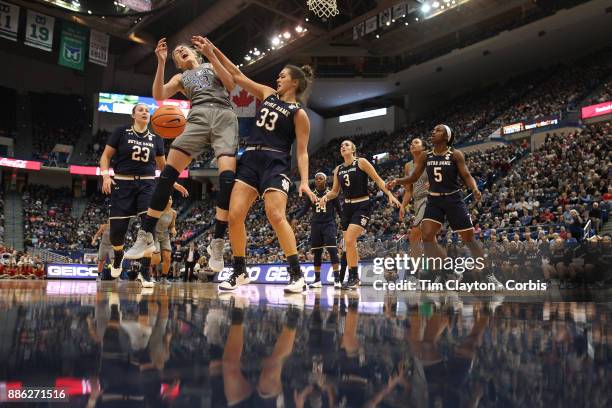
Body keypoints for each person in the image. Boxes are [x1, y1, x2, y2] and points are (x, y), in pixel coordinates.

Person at [200, 37, 316, 293]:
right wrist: (212, 52)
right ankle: (240, 271)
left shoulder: (299, 113)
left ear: (294, 82)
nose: (278, 79)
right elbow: (237, 75)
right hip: (251, 159)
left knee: (275, 215)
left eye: (283, 76)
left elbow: (302, 152)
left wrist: (305, 181)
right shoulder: (267, 94)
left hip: (275, 162)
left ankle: (297, 275)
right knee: (234, 216)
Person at [125, 36, 237, 274]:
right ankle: (145, 235)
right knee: (167, 175)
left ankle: (217, 243)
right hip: (197, 117)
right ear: (177, 62)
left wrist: (212, 54)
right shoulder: (179, 77)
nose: (181, 51)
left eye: (184, 49)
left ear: (195, 53)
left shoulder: (209, 65)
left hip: (224, 116)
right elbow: (158, 95)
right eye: (177, 52)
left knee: (227, 178)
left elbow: (230, 85)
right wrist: (161, 62)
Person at [388, 124, 503, 288]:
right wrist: (397, 181)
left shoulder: (455, 155)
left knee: (469, 239)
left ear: (447, 137)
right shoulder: (425, 156)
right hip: (434, 201)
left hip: (453, 199)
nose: (433, 132)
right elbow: (413, 178)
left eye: (438, 130)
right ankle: (442, 273)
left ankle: (488, 274)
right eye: (433, 130)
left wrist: (475, 188)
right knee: (427, 237)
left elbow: (466, 175)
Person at [99, 103, 188, 288]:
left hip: (147, 184)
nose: (145, 113)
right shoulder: (121, 131)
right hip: (122, 183)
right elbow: (106, 156)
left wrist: (174, 182)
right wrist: (106, 175)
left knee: (149, 230)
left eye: (147, 111)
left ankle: (144, 272)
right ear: (133, 115)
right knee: (116, 234)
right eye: (141, 110)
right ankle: (118, 256)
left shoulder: (156, 138)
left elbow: (163, 167)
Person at [320, 140, 401, 290]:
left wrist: (390, 194)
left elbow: (377, 179)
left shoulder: (361, 162)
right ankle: (353, 277)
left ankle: (354, 277)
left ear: (353, 149)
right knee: (349, 243)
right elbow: (335, 192)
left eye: (347, 145)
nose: (343, 146)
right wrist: (326, 197)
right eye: (341, 145)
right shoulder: (338, 169)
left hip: (362, 204)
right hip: (347, 207)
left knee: (350, 239)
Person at [291, 172, 342, 289]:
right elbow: (304, 209)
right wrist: (296, 218)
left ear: (325, 180)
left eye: (321, 179)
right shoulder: (311, 194)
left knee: (332, 251)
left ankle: (337, 279)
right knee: (317, 253)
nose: (318, 180)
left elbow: (339, 209)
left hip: (329, 224)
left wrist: (344, 222)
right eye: (316, 179)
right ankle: (318, 280)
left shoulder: (332, 193)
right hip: (316, 225)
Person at [399, 138, 429, 280]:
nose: (412, 144)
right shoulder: (408, 166)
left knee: (415, 234)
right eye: (411, 143)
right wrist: (403, 206)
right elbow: (409, 190)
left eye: (416, 142)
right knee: (421, 239)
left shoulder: (430, 160)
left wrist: (433, 184)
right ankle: (436, 274)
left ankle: (413, 274)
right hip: (417, 202)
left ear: (424, 147)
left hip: (430, 199)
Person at [151, 196, 177, 284]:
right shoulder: (158, 210)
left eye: (170, 199)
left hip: (165, 235)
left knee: (167, 258)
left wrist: (173, 229)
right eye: (167, 198)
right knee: (156, 259)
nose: (169, 200)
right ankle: (147, 273)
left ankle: (163, 278)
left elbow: (172, 225)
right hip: (155, 234)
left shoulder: (173, 213)